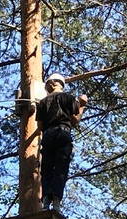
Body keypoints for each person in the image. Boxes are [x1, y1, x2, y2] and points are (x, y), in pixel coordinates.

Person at [35, 72, 88, 211]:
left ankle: (46, 201)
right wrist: (81, 106)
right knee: (60, 168)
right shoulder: (69, 98)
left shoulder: (42, 102)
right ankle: (56, 202)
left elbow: (40, 127)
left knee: (47, 168)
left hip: (48, 135)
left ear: (52, 84)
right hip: (63, 132)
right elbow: (75, 121)